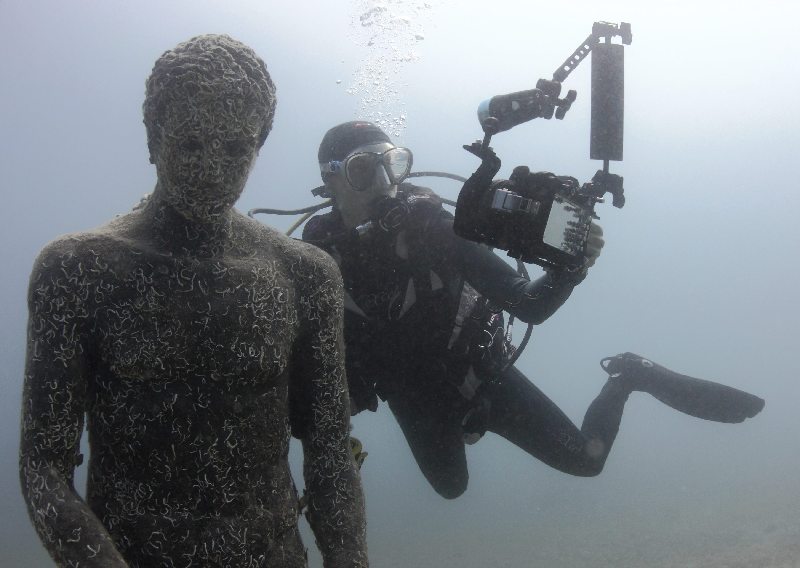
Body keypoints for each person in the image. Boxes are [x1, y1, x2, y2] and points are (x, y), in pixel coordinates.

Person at [19, 36, 368, 567]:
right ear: (153, 137)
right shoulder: (78, 271)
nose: (211, 170)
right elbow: (43, 467)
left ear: (260, 145)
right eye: (190, 144)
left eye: (235, 149)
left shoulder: (305, 274)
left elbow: (329, 450)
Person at [302, 120, 765, 499]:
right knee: (451, 488)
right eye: (365, 170)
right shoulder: (316, 260)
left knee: (587, 459)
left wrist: (571, 268)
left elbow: (529, 305)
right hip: (414, 397)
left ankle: (629, 375)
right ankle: (463, 424)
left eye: (393, 165)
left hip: (481, 375)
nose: (385, 184)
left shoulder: (436, 229)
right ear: (330, 179)